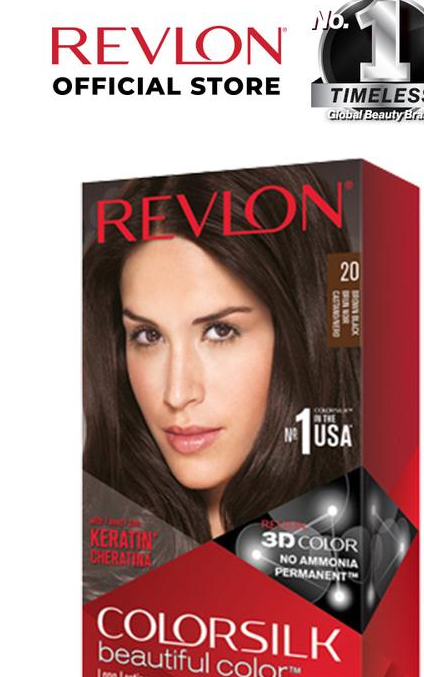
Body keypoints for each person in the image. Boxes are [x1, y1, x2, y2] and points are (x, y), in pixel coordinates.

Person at [83, 165, 360, 541]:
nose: (177, 394)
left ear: (302, 328)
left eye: (220, 330)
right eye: (149, 335)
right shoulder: (94, 541)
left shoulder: (373, 532)